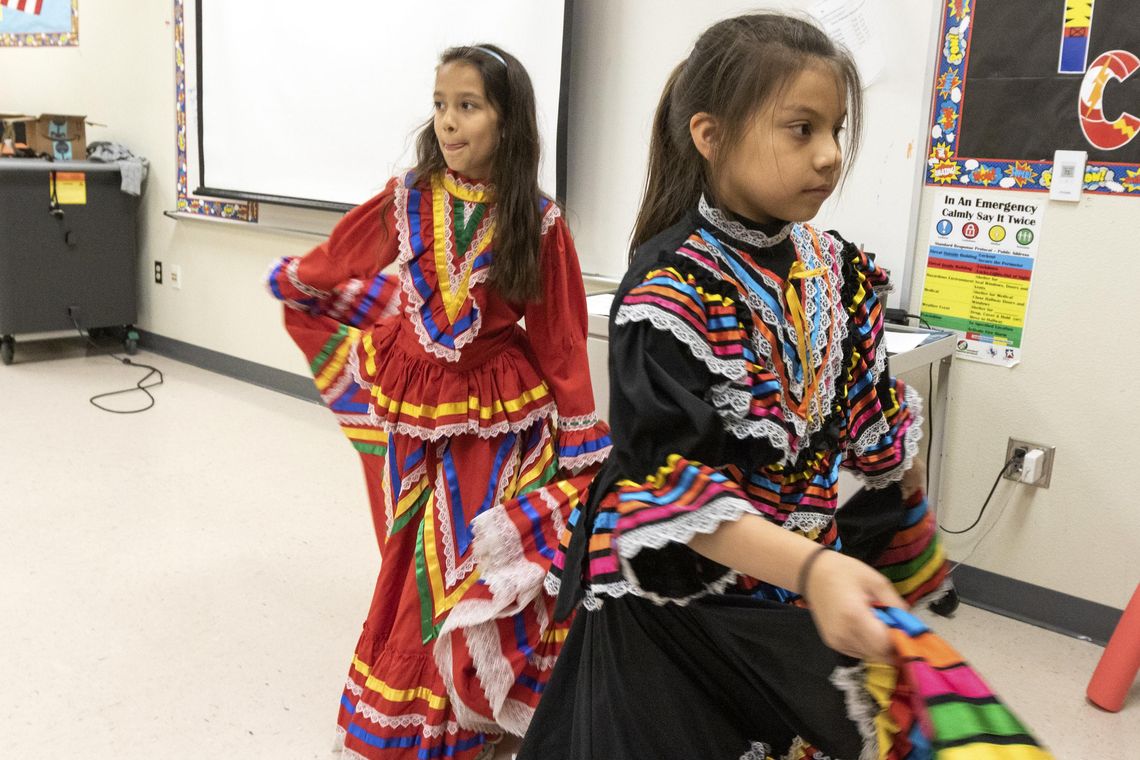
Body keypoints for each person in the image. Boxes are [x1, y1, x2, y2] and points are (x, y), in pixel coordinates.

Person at [518, 14, 1052, 760]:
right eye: (800, 130)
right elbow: (671, 495)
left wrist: (885, 539)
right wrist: (813, 567)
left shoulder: (835, 270)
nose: (830, 156)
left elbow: (876, 433)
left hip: (792, 573)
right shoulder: (669, 295)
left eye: (836, 130)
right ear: (708, 134)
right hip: (680, 593)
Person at [266, 43, 612, 760]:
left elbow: (560, 337)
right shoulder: (411, 194)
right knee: (410, 549)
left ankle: (462, 717)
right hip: (412, 397)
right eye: (440, 106)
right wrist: (304, 277)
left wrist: (581, 436)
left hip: (494, 411)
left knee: (464, 563)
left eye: (468, 106)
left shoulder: (539, 220)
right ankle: (408, 710)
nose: (449, 124)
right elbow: (347, 253)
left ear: (508, 121)